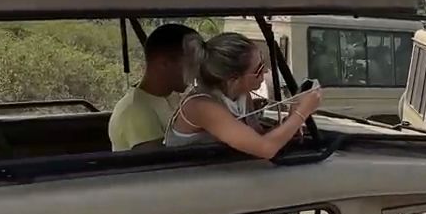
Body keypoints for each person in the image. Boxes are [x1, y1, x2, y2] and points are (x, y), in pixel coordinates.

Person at [164, 32, 323, 159]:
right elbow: (265, 149)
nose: (266, 72)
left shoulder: (241, 95)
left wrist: (292, 116)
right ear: (233, 79)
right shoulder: (202, 106)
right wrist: (301, 113)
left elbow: (257, 139)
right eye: (259, 69)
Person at [108, 23, 199, 151]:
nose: (197, 70)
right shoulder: (136, 110)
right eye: (191, 64)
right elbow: (160, 165)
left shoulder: (174, 97)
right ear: (164, 64)